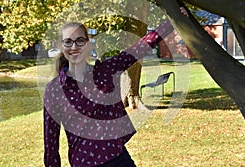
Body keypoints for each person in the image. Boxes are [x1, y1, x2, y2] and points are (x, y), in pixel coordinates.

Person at [43, 18, 176, 167]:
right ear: (62, 46)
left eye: (80, 40)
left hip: (118, 157)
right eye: (68, 41)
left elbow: (140, 48)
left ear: (87, 44)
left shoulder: (105, 71)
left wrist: (173, 21)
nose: (74, 46)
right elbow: (51, 143)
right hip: (85, 163)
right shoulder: (55, 90)